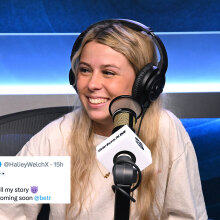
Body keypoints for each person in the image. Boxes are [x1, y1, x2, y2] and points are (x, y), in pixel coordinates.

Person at [0, 20, 207, 220]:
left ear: (144, 83)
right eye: (85, 70)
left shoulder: (165, 130)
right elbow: (5, 213)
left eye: (108, 72)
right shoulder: (57, 138)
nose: (92, 84)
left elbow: (186, 215)